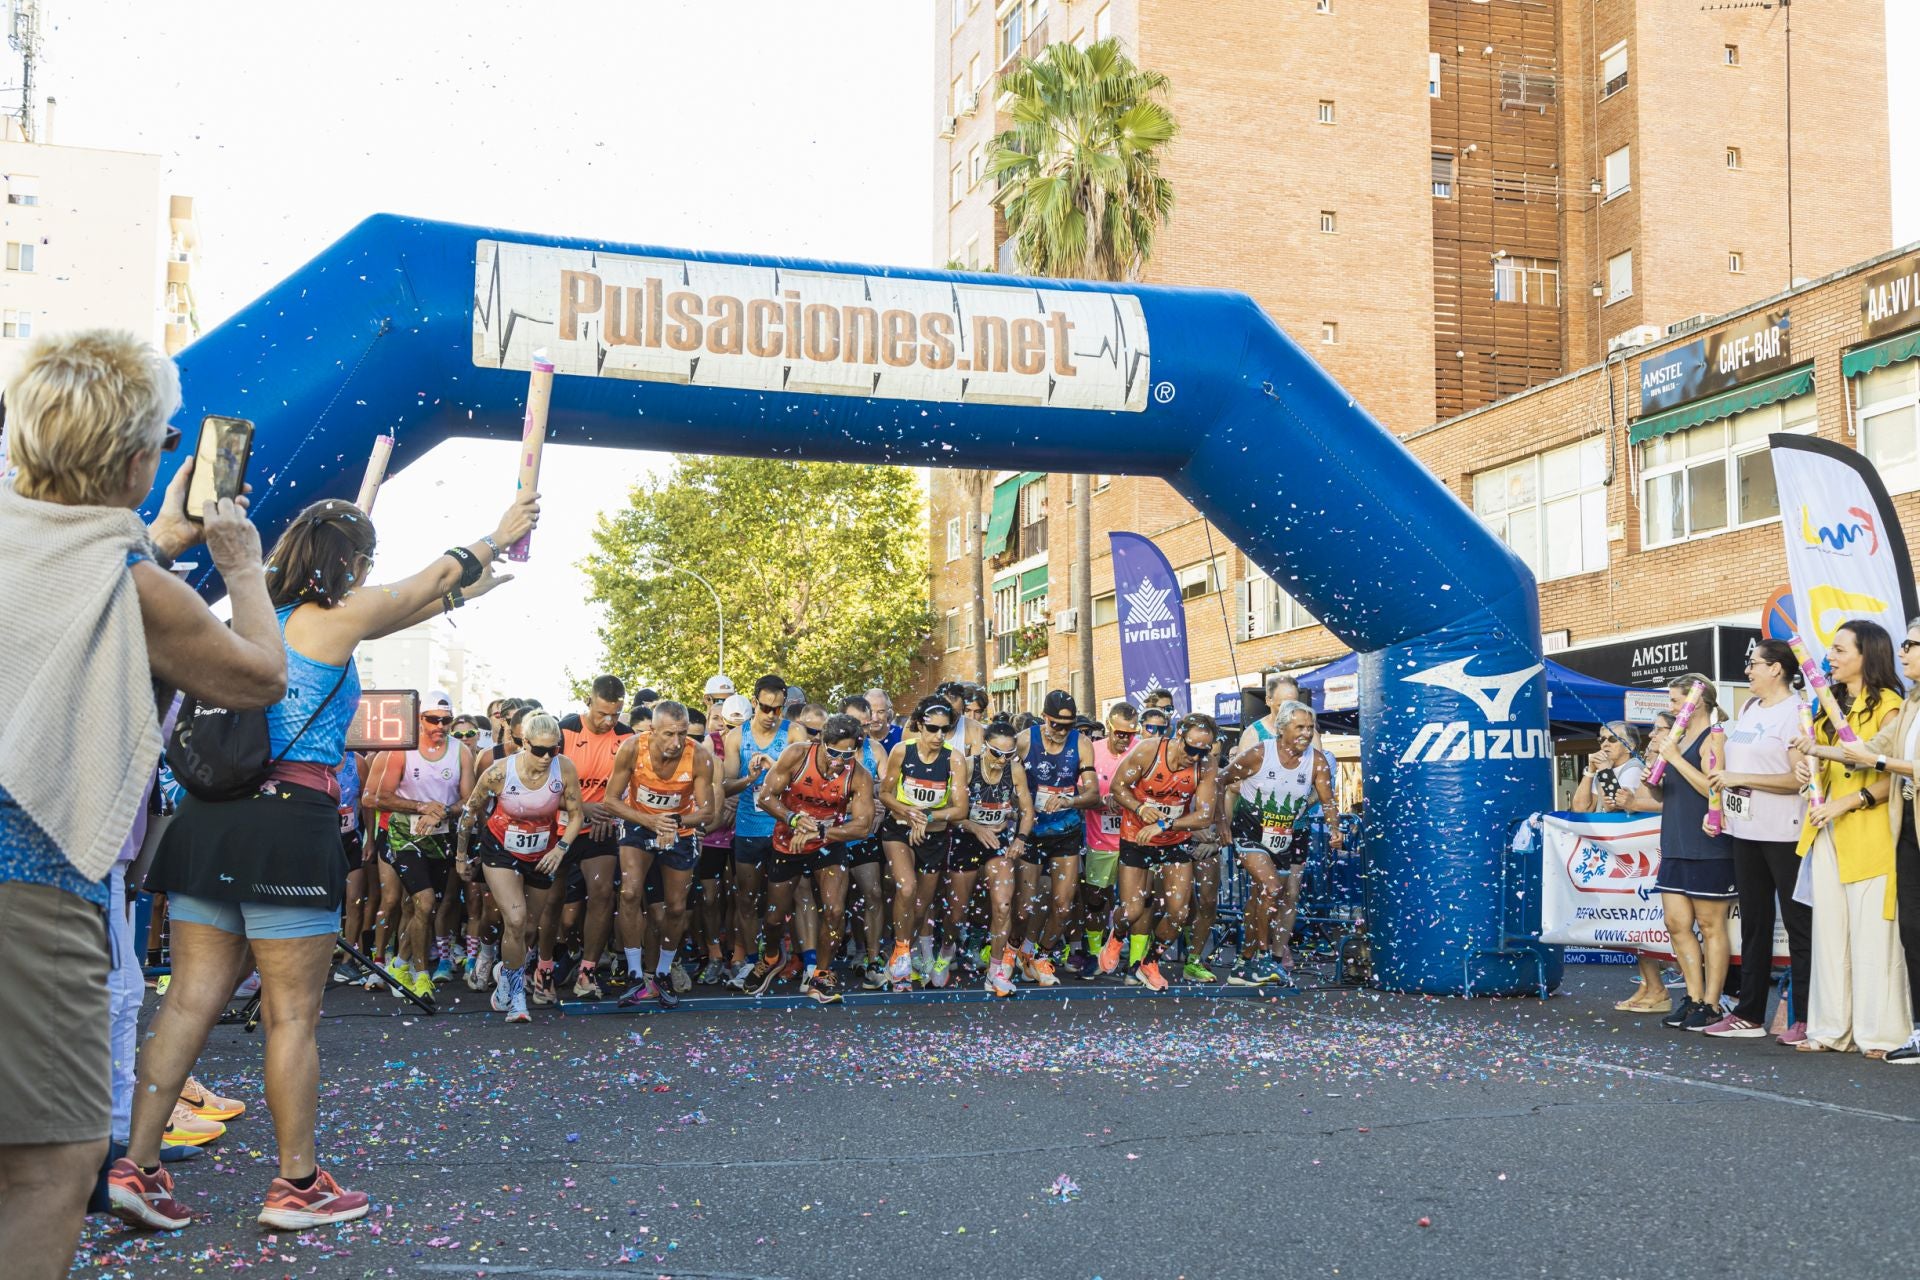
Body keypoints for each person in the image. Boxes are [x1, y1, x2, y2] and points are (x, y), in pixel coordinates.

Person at [112, 487, 538, 1234]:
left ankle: (136, 1167)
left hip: (209, 823)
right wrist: (496, 537)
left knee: (186, 1001)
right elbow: (430, 578)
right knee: (292, 1017)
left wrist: (460, 593)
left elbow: (416, 601)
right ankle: (297, 1185)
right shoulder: (334, 619)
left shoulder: (246, 623)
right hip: (286, 825)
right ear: (354, 563)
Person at [0, 330, 288, 1279]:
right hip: (31, 884)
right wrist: (239, 564)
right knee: (53, 1159)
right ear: (133, 459)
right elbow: (260, 677)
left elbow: (68, 572)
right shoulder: (134, 588)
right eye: (165, 441)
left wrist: (159, 537)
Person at [1788, 619, 1909, 1056]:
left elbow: (1895, 775)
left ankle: (1881, 1034)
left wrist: (1849, 801)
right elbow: (1817, 762)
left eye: (1840, 650)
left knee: (1873, 937)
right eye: (1831, 650)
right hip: (1825, 830)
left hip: (1871, 831)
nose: (1831, 657)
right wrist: (1805, 769)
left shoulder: (1892, 706)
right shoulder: (1827, 705)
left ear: (1866, 655)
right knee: (1830, 933)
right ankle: (1829, 1029)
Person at [1702, 641, 1812, 1039]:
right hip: (1744, 831)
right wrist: (1717, 808)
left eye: (1754, 664)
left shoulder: (1796, 712)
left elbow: (1796, 781)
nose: (1747, 671)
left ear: (1777, 669)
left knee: (1799, 925)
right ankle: (1748, 1014)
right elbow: (1730, 769)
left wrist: (1740, 778)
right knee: (1754, 924)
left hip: (1785, 833)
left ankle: (1806, 1017)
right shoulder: (1749, 709)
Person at [454, 712, 581, 1022]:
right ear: (525, 743)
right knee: (515, 917)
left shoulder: (564, 767)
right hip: (500, 847)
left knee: (528, 929)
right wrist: (460, 856)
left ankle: (505, 975)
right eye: (540, 750)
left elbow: (576, 814)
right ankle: (517, 997)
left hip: (542, 851)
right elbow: (469, 813)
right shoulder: (499, 772)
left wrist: (562, 847)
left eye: (553, 749)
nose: (547, 757)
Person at [1832, 619, 1920, 1063]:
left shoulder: (1894, 701)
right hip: (1908, 828)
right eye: (1901, 645)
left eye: (1911, 644)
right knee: (1913, 932)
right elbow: (1866, 749)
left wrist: (1879, 762)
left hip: (1900, 822)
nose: (1903, 652)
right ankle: (1919, 1032)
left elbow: (1882, 759)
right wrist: (1812, 750)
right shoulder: (1911, 703)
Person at [1634, 675, 1734, 1032]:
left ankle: (1712, 1002)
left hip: (1707, 844)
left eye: (1676, 701)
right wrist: (1653, 782)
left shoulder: (1714, 736)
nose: (1672, 708)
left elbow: (1713, 788)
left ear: (1697, 702)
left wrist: (1675, 759)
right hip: (1676, 841)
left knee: (1710, 925)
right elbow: (1667, 795)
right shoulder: (1676, 741)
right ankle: (1693, 996)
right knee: (1676, 923)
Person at [1218, 700, 1340, 986]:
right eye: (1300, 727)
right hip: (1249, 831)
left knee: (1262, 896)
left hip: (1283, 837)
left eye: (1310, 728)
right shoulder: (1261, 753)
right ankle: (1263, 958)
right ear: (1282, 728)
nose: (1306, 733)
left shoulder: (1316, 761)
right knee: (1271, 887)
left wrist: (1335, 828)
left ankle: (1243, 963)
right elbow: (1220, 780)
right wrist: (1222, 823)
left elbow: (1327, 800)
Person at [756, 713, 876, 1004]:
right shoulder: (797, 755)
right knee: (774, 917)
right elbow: (766, 796)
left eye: (847, 755)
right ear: (821, 742)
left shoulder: (859, 775)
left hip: (827, 843)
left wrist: (821, 831)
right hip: (789, 841)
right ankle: (771, 956)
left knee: (835, 910)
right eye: (834, 753)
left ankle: (821, 973)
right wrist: (794, 819)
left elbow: (863, 826)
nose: (839, 761)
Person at [605, 701, 715, 1009]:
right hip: (639, 823)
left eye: (682, 733)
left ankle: (663, 973)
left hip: (679, 827)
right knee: (629, 893)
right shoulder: (632, 748)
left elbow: (708, 812)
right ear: (652, 730)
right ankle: (634, 973)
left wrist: (676, 822)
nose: (676, 742)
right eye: (668, 734)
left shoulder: (699, 756)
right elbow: (610, 801)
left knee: (677, 908)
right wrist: (650, 821)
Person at [1102, 712, 1221, 990]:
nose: (1195, 756)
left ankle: (1150, 962)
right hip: (1137, 835)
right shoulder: (1149, 750)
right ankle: (1117, 936)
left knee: (1179, 913)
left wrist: (1165, 824)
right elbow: (1118, 787)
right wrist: (1140, 808)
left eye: (1203, 751)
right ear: (1179, 735)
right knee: (1132, 910)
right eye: (1191, 749)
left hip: (1173, 839)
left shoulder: (1206, 766)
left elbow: (1204, 816)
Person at [368, 691, 475, 998]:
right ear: (419, 719)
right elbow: (380, 797)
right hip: (404, 837)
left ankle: (400, 964)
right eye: (432, 719)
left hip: (440, 839)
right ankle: (421, 975)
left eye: (445, 720)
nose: (439, 726)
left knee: (421, 908)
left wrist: (444, 810)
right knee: (423, 902)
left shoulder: (460, 752)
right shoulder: (403, 749)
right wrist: (421, 807)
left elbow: (469, 800)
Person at [1569, 720, 1669, 1014]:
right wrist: (1589, 772)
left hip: (1640, 853)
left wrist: (1603, 772)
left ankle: (1657, 986)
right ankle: (1648, 985)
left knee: (1642, 920)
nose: (1604, 745)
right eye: (1601, 739)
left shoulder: (1634, 768)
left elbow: (1614, 803)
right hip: (1622, 853)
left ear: (1630, 745)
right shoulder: (1605, 770)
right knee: (1632, 923)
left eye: (1612, 740)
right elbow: (1580, 807)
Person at [548, 676, 633, 1002]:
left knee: (602, 894)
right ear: (588, 702)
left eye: (615, 714)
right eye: (602, 713)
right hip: (560, 828)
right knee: (562, 911)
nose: (609, 721)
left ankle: (587, 971)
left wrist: (610, 814)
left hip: (600, 829)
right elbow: (542, 789)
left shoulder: (627, 737)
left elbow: (631, 789)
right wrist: (582, 808)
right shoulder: (564, 731)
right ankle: (554, 959)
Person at [877, 695, 970, 990]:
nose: (939, 735)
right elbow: (885, 794)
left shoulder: (954, 758)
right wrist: (910, 813)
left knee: (920, 906)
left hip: (934, 835)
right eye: (932, 728)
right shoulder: (902, 751)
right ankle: (901, 955)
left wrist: (926, 817)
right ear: (919, 725)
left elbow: (961, 809)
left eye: (945, 729)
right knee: (906, 887)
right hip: (899, 830)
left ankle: (908, 951)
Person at [722, 676, 806, 989]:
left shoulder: (793, 733)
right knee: (746, 898)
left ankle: (791, 957)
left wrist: (777, 770)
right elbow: (726, 785)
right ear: (755, 703)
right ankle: (751, 961)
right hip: (749, 826)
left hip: (784, 827)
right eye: (766, 708)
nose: (772, 715)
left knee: (786, 899)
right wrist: (749, 779)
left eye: (778, 709)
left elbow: (806, 782)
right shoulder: (736, 736)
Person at [1016, 691, 1099, 986]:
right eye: (1056, 725)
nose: (1062, 732)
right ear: (1044, 718)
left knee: (1063, 905)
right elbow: (1004, 778)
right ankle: (1017, 950)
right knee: (1025, 906)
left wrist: (1069, 800)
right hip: (1032, 831)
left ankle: (1042, 955)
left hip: (1066, 830)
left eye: (1068, 726)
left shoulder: (1082, 743)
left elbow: (1093, 793)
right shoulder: (1025, 740)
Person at [950, 718, 1034, 997]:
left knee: (1003, 905)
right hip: (965, 839)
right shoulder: (968, 766)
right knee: (958, 910)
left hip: (997, 842)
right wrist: (975, 827)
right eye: (997, 753)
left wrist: (1020, 839)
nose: (1002, 760)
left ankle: (995, 971)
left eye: (1009, 754)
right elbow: (951, 812)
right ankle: (946, 950)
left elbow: (1027, 810)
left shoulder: (1014, 769)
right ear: (985, 746)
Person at [1074, 702, 1139, 979]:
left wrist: (1127, 802)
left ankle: (1134, 959)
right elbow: (1079, 794)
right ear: (1109, 727)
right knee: (1096, 899)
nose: (1125, 739)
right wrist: (1101, 801)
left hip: (1133, 839)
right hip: (1100, 840)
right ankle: (1094, 954)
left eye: (1131, 733)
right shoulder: (1093, 750)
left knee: (1136, 902)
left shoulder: (1141, 750)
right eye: (1120, 733)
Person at [841, 694, 892, 988]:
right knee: (837, 901)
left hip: (864, 834)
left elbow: (887, 788)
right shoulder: (828, 749)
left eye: (865, 725)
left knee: (872, 893)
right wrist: (866, 801)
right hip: (833, 834)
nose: (860, 732)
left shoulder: (876, 749)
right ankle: (825, 961)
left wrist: (877, 800)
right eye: (854, 725)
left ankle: (872, 958)